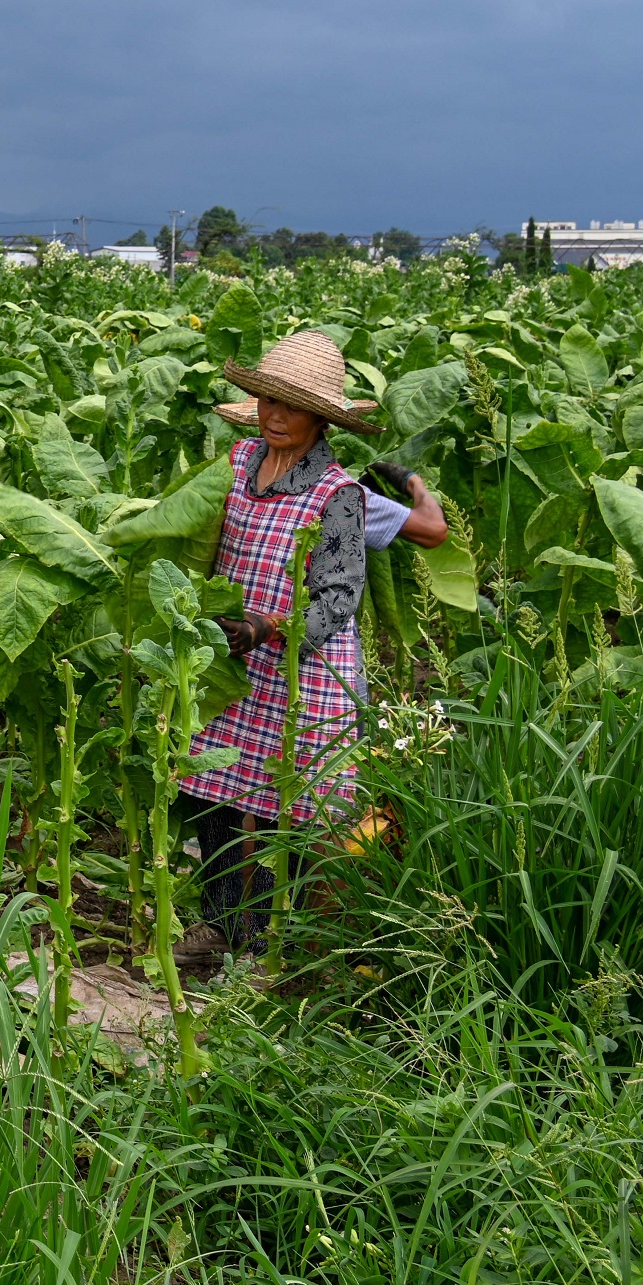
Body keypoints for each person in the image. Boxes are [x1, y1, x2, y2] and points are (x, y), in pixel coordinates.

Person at [178, 330, 385, 951]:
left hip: (303, 668)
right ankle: (225, 924)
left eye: (292, 407)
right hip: (232, 661)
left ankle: (286, 941)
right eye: (268, 400)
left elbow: (339, 600)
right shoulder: (239, 462)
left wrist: (269, 627)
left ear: (321, 419)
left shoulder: (337, 494)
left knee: (290, 807)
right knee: (215, 791)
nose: (275, 415)